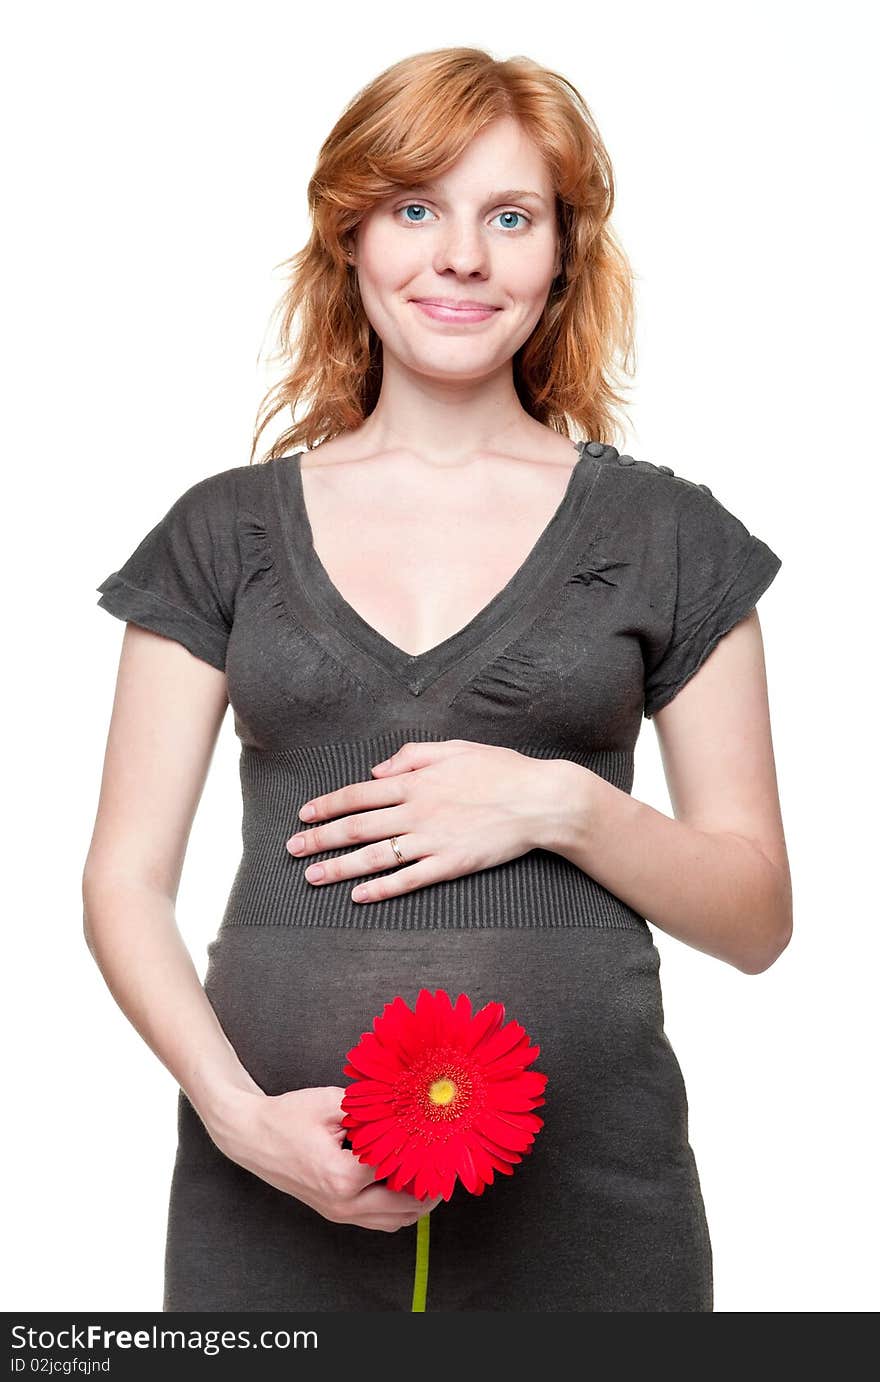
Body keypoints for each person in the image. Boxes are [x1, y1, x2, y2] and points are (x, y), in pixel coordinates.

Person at [82, 47, 791, 1313]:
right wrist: (242, 1123)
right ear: (349, 235)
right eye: (416, 207)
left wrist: (561, 805)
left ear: (561, 254)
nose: (460, 257)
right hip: (273, 1193)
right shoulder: (222, 531)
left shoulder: (671, 537)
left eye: (509, 216)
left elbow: (756, 915)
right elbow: (124, 880)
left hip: (595, 1207)